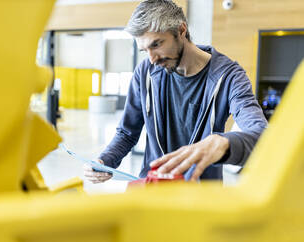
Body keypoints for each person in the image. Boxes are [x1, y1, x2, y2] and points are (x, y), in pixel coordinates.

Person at [84, 0, 267, 183]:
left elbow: (261, 134)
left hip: (201, 196)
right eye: (144, 50)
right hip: (153, 188)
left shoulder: (229, 76)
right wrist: (104, 160)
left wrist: (224, 143)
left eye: (156, 44)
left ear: (181, 30)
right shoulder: (145, 72)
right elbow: (127, 132)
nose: (152, 59)